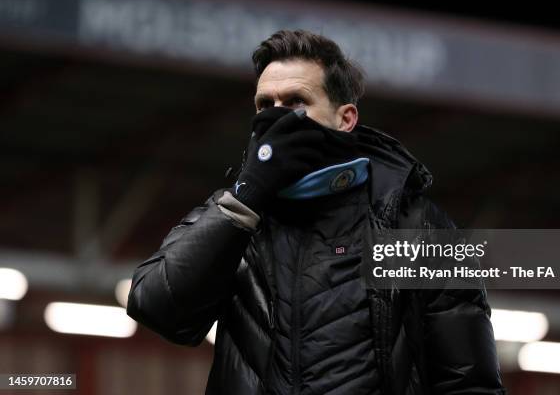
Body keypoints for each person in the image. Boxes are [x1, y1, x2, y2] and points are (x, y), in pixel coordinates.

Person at [127, 29, 506, 395]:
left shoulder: (415, 226)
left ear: (345, 119)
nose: (276, 118)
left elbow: (469, 383)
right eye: (265, 105)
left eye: (295, 102)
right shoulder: (234, 213)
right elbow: (157, 308)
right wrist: (247, 197)